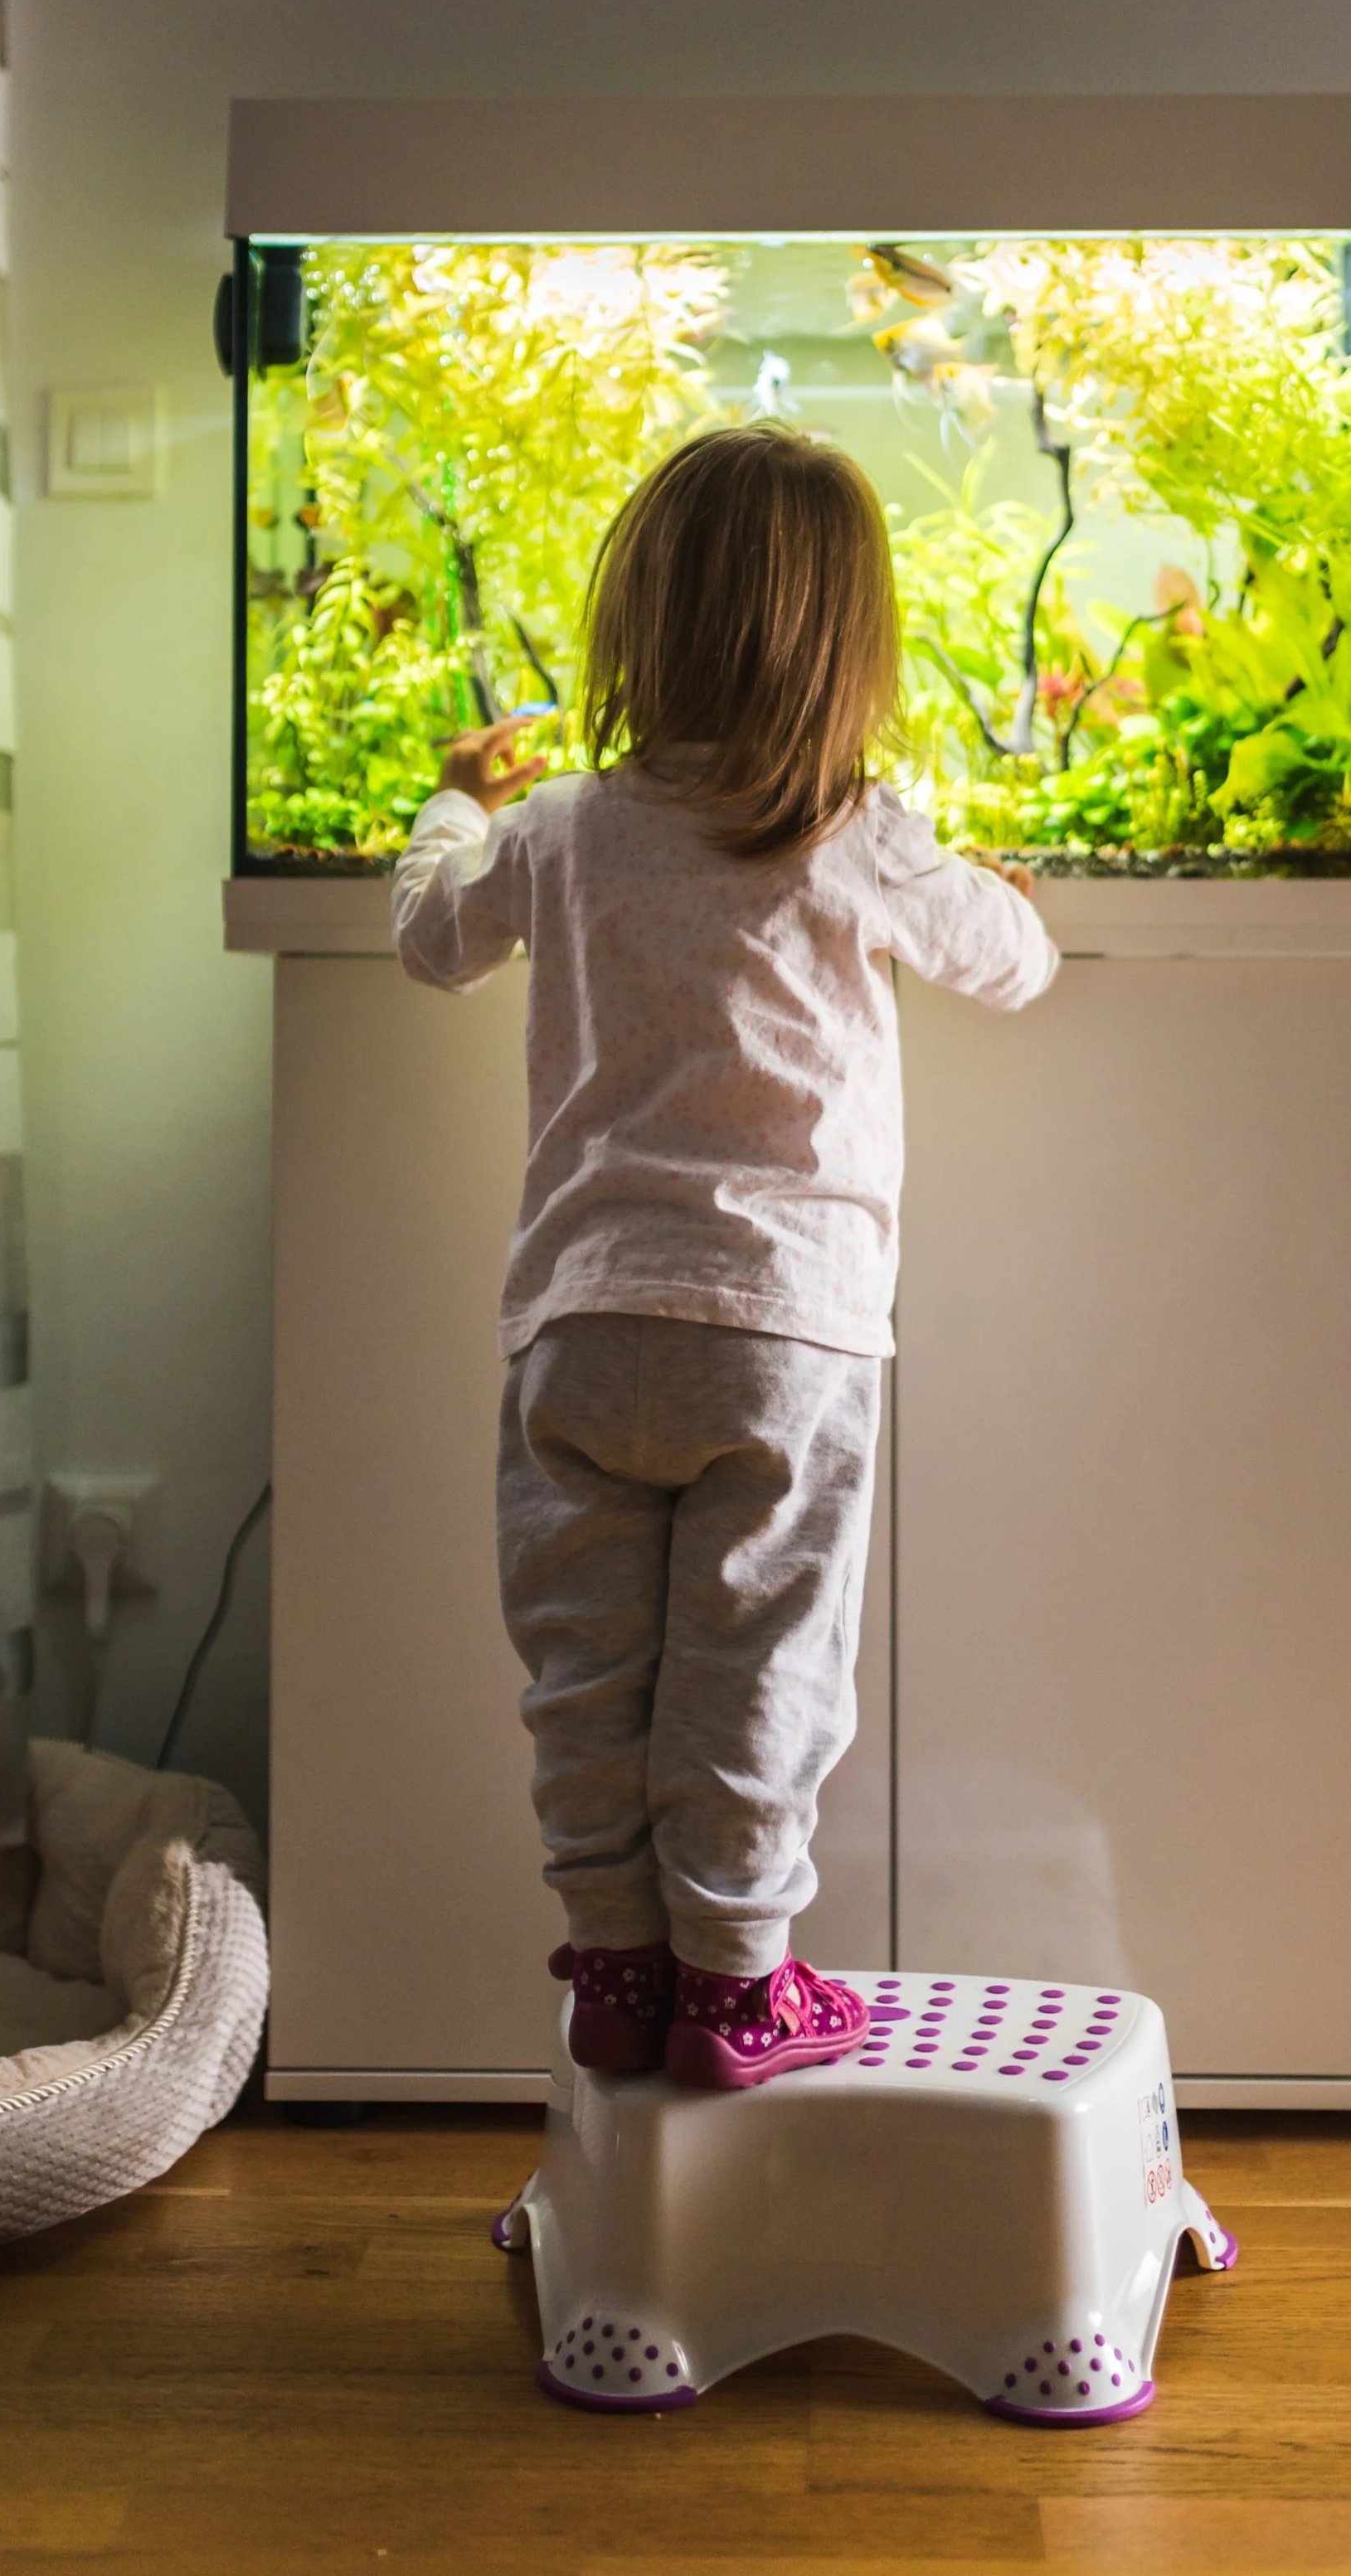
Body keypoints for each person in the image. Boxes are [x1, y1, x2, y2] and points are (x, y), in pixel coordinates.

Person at [392, 427, 1058, 2090]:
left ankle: (618, 1970)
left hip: (577, 1322)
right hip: (784, 1334)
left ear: (641, 622)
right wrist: (988, 887)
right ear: (852, 642)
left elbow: (428, 938)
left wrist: (445, 804)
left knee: (586, 1668)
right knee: (762, 1670)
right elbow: (1020, 965)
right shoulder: (860, 831)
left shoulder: (555, 826)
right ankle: (737, 1983)